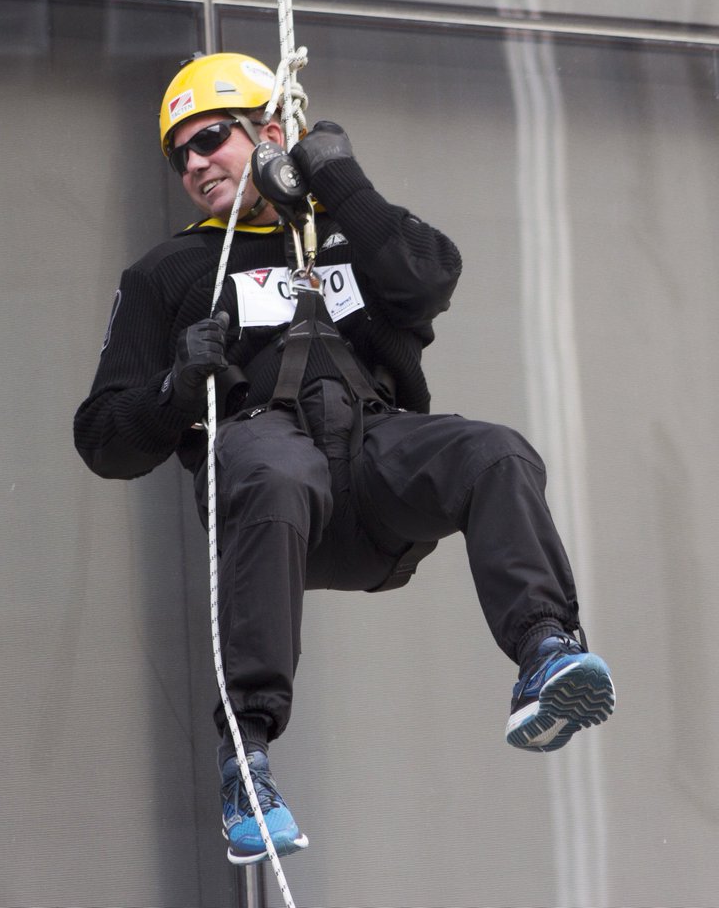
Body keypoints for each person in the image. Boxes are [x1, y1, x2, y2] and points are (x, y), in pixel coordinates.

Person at [74, 51, 615, 866]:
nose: (192, 163)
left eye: (210, 138)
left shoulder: (346, 239)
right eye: (177, 152)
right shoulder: (170, 274)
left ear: (269, 133)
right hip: (270, 488)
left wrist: (340, 181)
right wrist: (178, 389)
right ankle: (246, 759)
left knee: (494, 451)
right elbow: (103, 438)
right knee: (273, 465)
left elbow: (430, 277)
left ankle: (544, 649)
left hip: (373, 471)